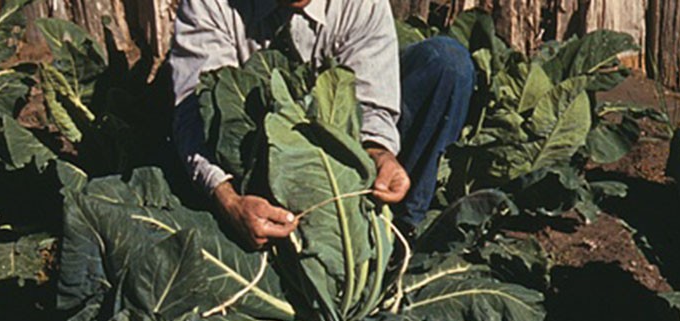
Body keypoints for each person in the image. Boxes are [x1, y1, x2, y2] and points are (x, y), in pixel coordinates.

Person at [170, 0, 474, 248]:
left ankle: (400, 234)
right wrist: (230, 202)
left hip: (342, 147)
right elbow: (196, 116)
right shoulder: (209, 4)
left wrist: (380, 153)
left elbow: (373, 101)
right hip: (257, 162)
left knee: (447, 63)